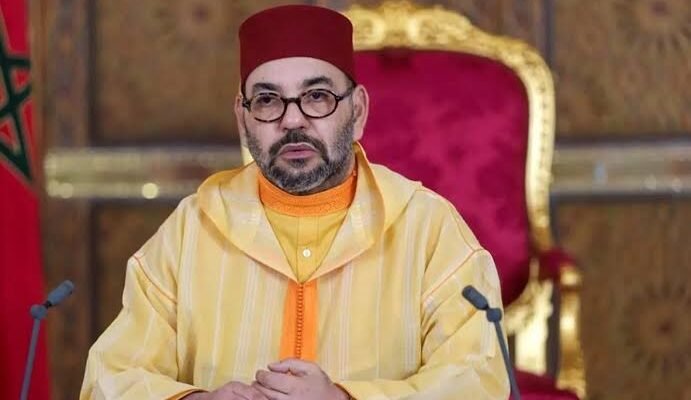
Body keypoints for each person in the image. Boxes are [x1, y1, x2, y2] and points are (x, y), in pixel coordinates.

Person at [80, 5, 509, 400]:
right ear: (243, 118)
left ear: (358, 111)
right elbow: (110, 376)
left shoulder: (427, 228)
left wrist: (344, 399)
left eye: (317, 96)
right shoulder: (192, 229)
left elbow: (478, 379)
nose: (292, 119)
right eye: (267, 100)